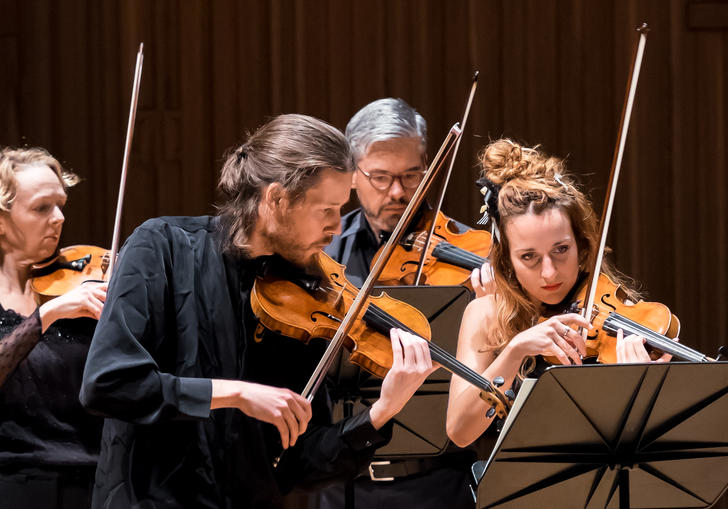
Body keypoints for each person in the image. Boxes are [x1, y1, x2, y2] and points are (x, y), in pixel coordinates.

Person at [79, 114, 437, 509]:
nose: (337, 227)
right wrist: (235, 393)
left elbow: (300, 464)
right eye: (326, 210)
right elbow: (108, 384)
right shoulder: (162, 245)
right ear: (276, 199)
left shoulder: (308, 293)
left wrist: (382, 412)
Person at [447, 138, 675, 448]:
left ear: (582, 246)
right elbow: (460, 431)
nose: (550, 273)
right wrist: (514, 351)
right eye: (529, 257)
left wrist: (638, 386)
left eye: (561, 250)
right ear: (507, 261)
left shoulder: (619, 313)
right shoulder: (486, 314)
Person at [319, 98, 487, 509]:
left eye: (412, 175)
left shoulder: (474, 255)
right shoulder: (321, 258)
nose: (398, 192)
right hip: (343, 486)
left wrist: (496, 307)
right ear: (351, 175)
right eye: (380, 177)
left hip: (440, 484)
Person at [0, 147, 107, 508]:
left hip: (93, 481)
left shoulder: (82, 283)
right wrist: (45, 316)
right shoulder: (61, 305)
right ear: (1, 220)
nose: (59, 218)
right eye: (42, 208)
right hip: (15, 483)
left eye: (61, 205)